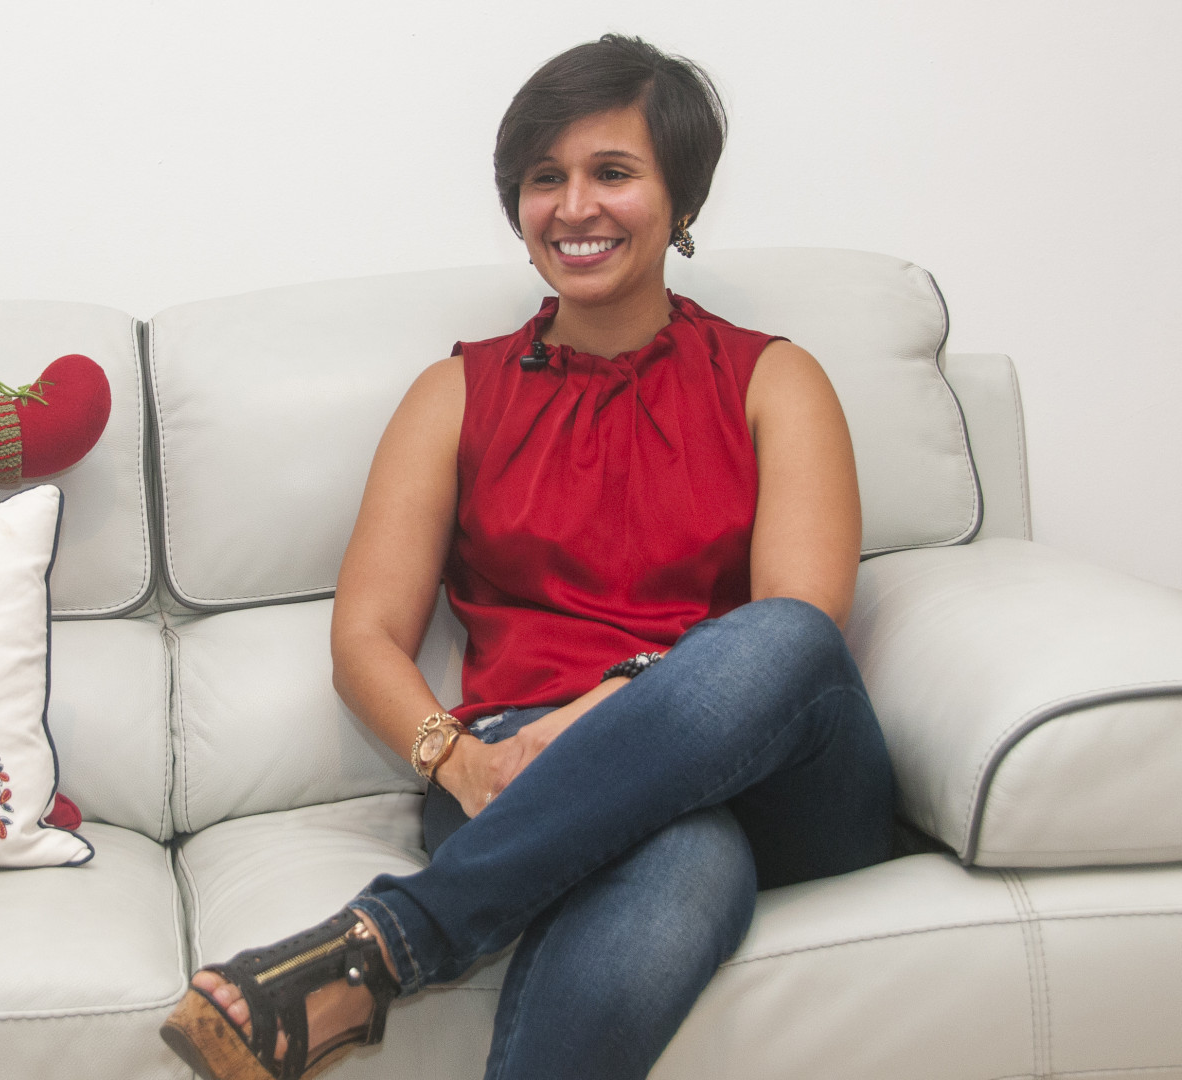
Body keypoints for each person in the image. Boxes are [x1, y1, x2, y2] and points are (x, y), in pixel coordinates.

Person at [158, 33, 896, 1080]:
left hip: (767, 780)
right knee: (683, 856)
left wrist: (616, 709)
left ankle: (389, 944)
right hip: (519, 766)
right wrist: (460, 761)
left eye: (613, 172)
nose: (574, 207)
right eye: (545, 178)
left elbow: (796, 634)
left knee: (784, 638)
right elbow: (365, 636)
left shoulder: (775, 380)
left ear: (681, 197)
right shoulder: (454, 395)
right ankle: (378, 954)